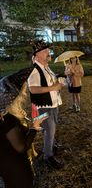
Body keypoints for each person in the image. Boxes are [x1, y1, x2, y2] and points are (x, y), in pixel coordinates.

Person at [0, 69, 49, 188]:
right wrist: (34, 129)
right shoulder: (8, 120)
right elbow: (20, 147)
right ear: (13, 98)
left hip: (5, 165)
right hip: (16, 166)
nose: (24, 95)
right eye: (22, 93)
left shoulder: (4, 116)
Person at [28, 40, 64, 169]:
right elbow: (33, 89)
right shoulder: (35, 70)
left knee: (52, 129)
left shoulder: (46, 67)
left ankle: (52, 146)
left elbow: (49, 83)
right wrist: (53, 88)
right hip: (44, 106)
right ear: (37, 55)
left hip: (53, 104)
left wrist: (59, 80)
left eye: (48, 50)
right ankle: (48, 156)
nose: (48, 53)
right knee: (49, 130)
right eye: (45, 51)